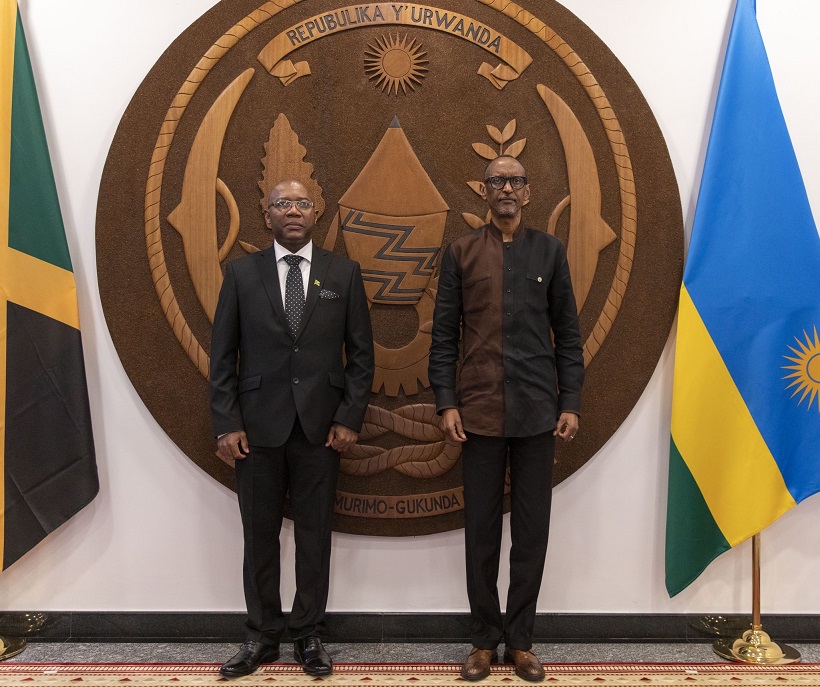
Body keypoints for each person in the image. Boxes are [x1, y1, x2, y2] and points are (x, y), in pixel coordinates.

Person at [209, 180, 374, 678]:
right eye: (283, 204)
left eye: (302, 203)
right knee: (259, 535)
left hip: (322, 430)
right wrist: (226, 424)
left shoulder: (342, 273)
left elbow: (362, 356)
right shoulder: (241, 274)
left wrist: (348, 417)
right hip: (256, 429)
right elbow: (222, 358)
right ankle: (261, 635)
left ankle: (308, 634)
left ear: (316, 212)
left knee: (315, 535)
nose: (293, 211)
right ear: (267, 215)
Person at [429, 156, 584, 682]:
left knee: (532, 532)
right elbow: (443, 338)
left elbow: (568, 334)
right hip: (477, 413)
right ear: (483, 191)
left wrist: (570, 401)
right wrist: (446, 402)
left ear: (528, 191)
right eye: (497, 181)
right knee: (481, 532)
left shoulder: (550, 251)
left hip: (539, 412)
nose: (507, 189)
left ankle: (520, 642)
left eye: (516, 180)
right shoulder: (461, 253)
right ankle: (481, 641)